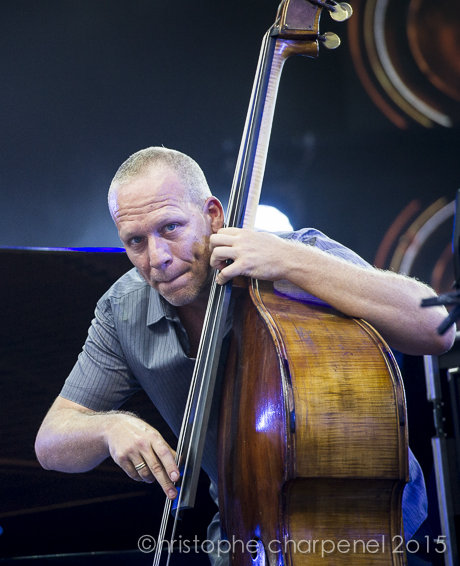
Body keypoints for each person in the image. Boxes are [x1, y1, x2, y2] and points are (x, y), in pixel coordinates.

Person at [34, 146, 454, 563]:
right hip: (244, 541)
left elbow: (438, 329)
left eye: (171, 227)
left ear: (213, 214)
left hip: (376, 534)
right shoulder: (122, 309)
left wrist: (291, 261)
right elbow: (51, 442)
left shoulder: (294, 254)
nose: (157, 257)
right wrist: (110, 427)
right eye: (135, 241)